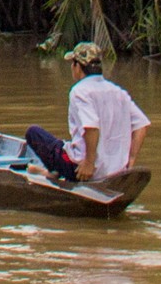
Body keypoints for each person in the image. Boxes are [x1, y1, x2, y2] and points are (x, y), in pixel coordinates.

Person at [21, 41, 149, 185]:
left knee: (34, 133)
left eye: (72, 63)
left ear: (77, 66)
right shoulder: (118, 91)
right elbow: (141, 125)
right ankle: (52, 173)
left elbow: (91, 127)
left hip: (83, 170)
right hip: (117, 170)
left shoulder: (79, 91)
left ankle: (52, 173)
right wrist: (130, 160)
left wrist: (89, 163)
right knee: (68, 143)